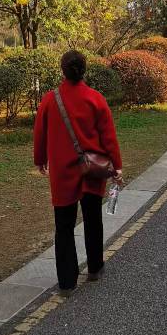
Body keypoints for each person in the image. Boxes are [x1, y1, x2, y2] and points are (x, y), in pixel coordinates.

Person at [34, 50, 123, 295]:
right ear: (84, 70)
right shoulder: (95, 98)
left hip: (63, 172)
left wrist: (40, 160)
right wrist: (116, 166)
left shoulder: (50, 100)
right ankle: (95, 267)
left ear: (62, 70)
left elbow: (40, 133)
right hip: (92, 169)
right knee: (93, 218)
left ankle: (67, 282)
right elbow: (109, 137)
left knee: (64, 226)